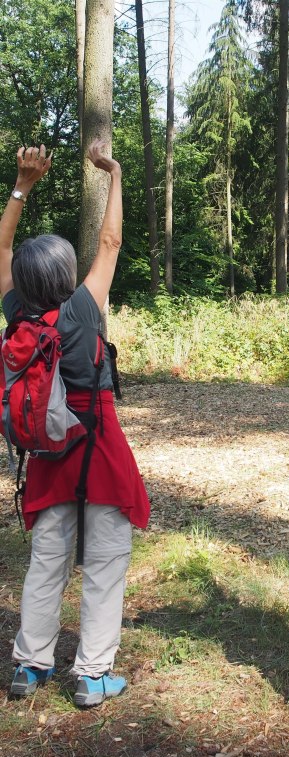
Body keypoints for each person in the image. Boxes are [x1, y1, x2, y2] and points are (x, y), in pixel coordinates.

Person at [1, 142, 150, 707]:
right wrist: (112, 173)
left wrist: (22, 185)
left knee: (46, 560)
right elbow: (110, 242)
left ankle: (29, 664)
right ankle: (91, 674)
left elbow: (3, 245)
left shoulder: (19, 315)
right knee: (106, 562)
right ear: (67, 273)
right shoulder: (81, 311)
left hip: (48, 453)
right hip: (100, 447)